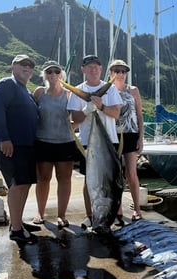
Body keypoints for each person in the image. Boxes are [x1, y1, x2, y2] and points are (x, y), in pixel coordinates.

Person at [67, 54, 122, 229]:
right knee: (89, 181)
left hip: (109, 141)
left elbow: (116, 113)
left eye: (96, 67)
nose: (93, 69)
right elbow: (74, 119)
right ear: (83, 69)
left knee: (113, 181)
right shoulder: (78, 90)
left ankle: (111, 214)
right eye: (89, 66)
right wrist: (86, 109)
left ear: (101, 69)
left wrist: (101, 107)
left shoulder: (111, 89)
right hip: (88, 143)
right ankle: (90, 215)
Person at [0, 54, 40, 244]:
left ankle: (17, 222)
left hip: (27, 145)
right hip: (12, 144)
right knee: (16, 184)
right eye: (22, 64)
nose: (26, 68)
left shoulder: (26, 91)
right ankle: (17, 230)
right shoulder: (6, 84)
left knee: (25, 184)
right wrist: (4, 138)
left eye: (30, 66)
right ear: (13, 66)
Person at [33, 61, 76, 229]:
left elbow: (78, 117)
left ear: (61, 74)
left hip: (65, 142)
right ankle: (40, 212)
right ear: (44, 75)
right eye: (49, 71)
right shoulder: (38, 92)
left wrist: (72, 127)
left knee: (64, 179)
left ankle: (61, 215)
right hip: (43, 142)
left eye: (56, 71)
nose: (52, 74)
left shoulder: (69, 94)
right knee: (43, 179)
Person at [109, 59, 144, 223]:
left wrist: (140, 138)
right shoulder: (107, 90)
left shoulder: (133, 90)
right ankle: (118, 210)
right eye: (117, 70)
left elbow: (139, 115)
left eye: (123, 71)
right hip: (113, 136)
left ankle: (137, 209)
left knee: (131, 173)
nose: (121, 74)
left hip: (130, 134)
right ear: (111, 73)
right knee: (116, 176)